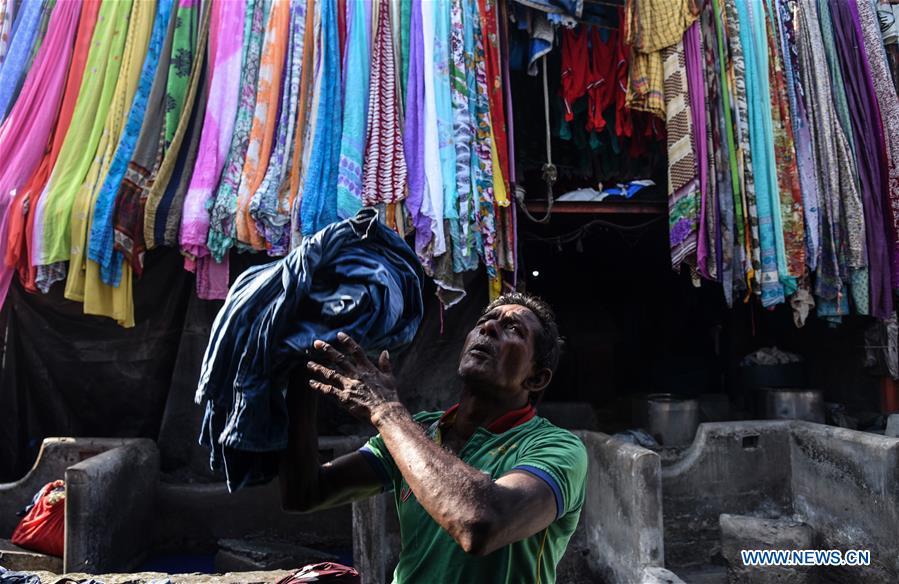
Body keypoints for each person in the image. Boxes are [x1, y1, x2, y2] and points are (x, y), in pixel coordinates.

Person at [280, 292, 588, 583]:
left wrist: (386, 411)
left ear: (536, 378)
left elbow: (480, 525)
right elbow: (306, 493)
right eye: (484, 321)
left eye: (513, 329)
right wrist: (298, 372)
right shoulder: (422, 431)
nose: (490, 327)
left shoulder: (557, 448)